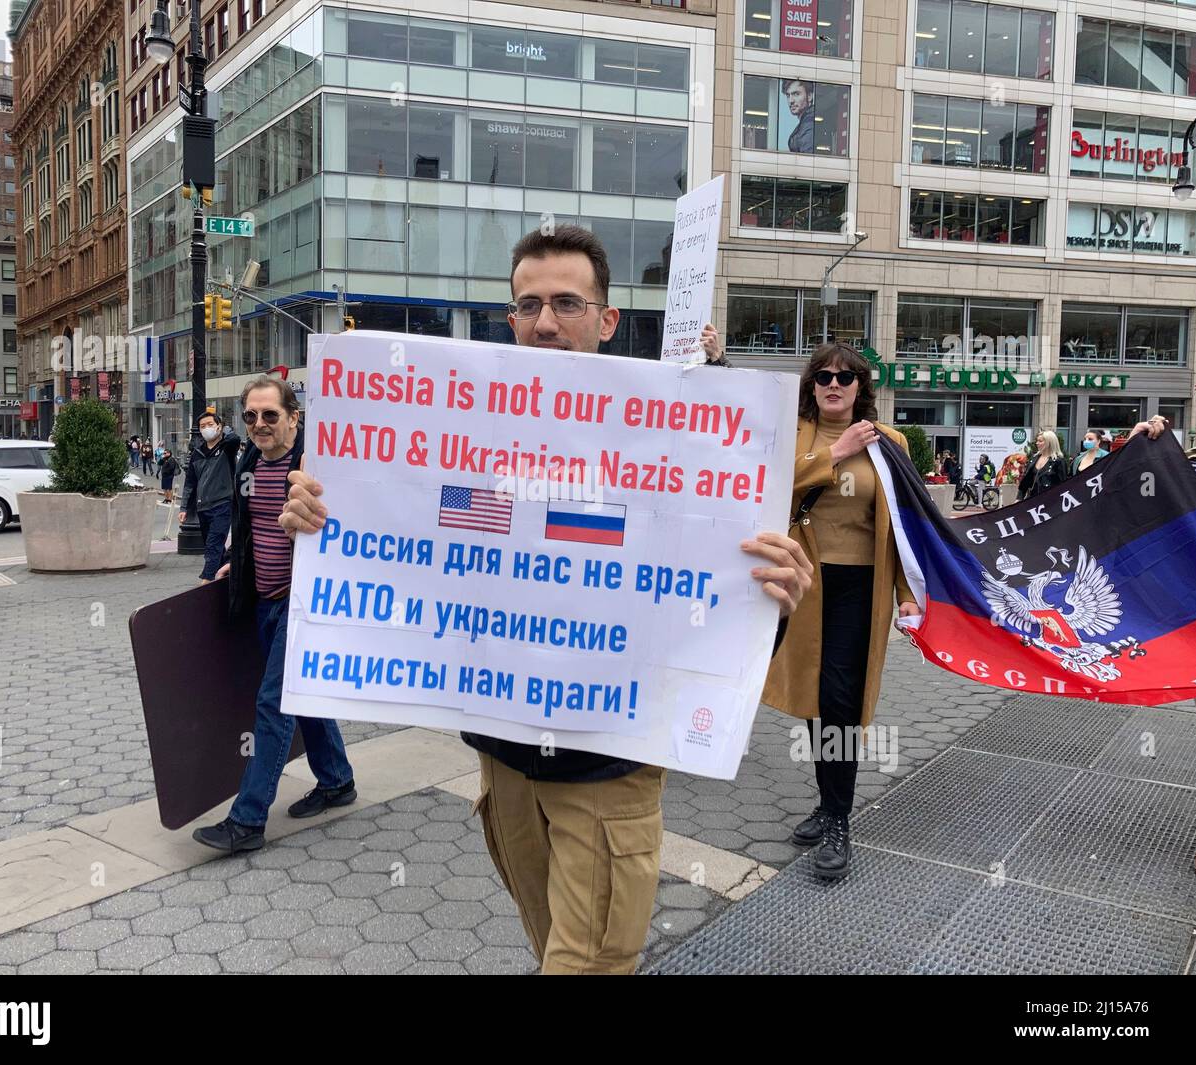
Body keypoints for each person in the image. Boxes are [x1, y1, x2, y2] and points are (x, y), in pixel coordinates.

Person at [277, 224, 813, 974]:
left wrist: (771, 605)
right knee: (550, 947)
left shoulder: (678, 441)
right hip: (504, 773)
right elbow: (405, 526)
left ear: (607, 319)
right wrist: (321, 519)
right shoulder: (462, 423)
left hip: (604, 778)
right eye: (528, 305)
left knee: (585, 963)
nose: (546, 322)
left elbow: (707, 596)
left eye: (567, 302)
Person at [764, 342, 921, 881]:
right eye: (824, 376)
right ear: (811, 385)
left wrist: (906, 593)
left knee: (841, 699)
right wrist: (835, 452)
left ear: (861, 388)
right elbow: (769, 489)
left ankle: (838, 818)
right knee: (813, 694)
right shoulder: (797, 434)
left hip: (862, 585)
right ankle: (827, 803)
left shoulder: (891, 443)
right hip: (804, 582)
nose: (834, 384)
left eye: (846, 377)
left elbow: (906, 529)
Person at [192, 376, 357, 854]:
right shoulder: (248, 461)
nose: (259, 425)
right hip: (262, 598)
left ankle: (247, 821)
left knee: (275, 702)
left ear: (293, 418)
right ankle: (337, 781)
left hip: (302, 602)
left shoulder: (314, 466)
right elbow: (245, 528)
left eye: (270, 415)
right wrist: (232, 565)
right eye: (250, 416)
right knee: (303, 698)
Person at [181, 409, 242, 583]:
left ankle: (206, 581)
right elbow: (190, 483)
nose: (206, 428)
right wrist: (185, 507)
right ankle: (227, 577)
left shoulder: (226, 449)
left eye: (210, 425)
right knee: (215, 546)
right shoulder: (197, 453)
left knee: (213, 545)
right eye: (202, 426)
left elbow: (235, 441)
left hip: (223, 504)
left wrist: (227, 434)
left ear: (218, 427)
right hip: (203, 507)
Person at [784, 78, 830, 154]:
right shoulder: (806, 121)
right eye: (788, 95)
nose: (791, 101)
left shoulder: (809, 122)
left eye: (796, 94)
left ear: (809, 96)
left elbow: (807, 157)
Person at [1018, 431, 1067, 500]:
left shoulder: (1059, 461)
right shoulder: (1034, 459)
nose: (1037, 443)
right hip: (1032, 501)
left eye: (1040, 441)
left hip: (1050, 502)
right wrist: (1019, 498)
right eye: (1037, 441)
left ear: (1049, 443)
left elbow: (1063, 486)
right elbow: (1025, 483)